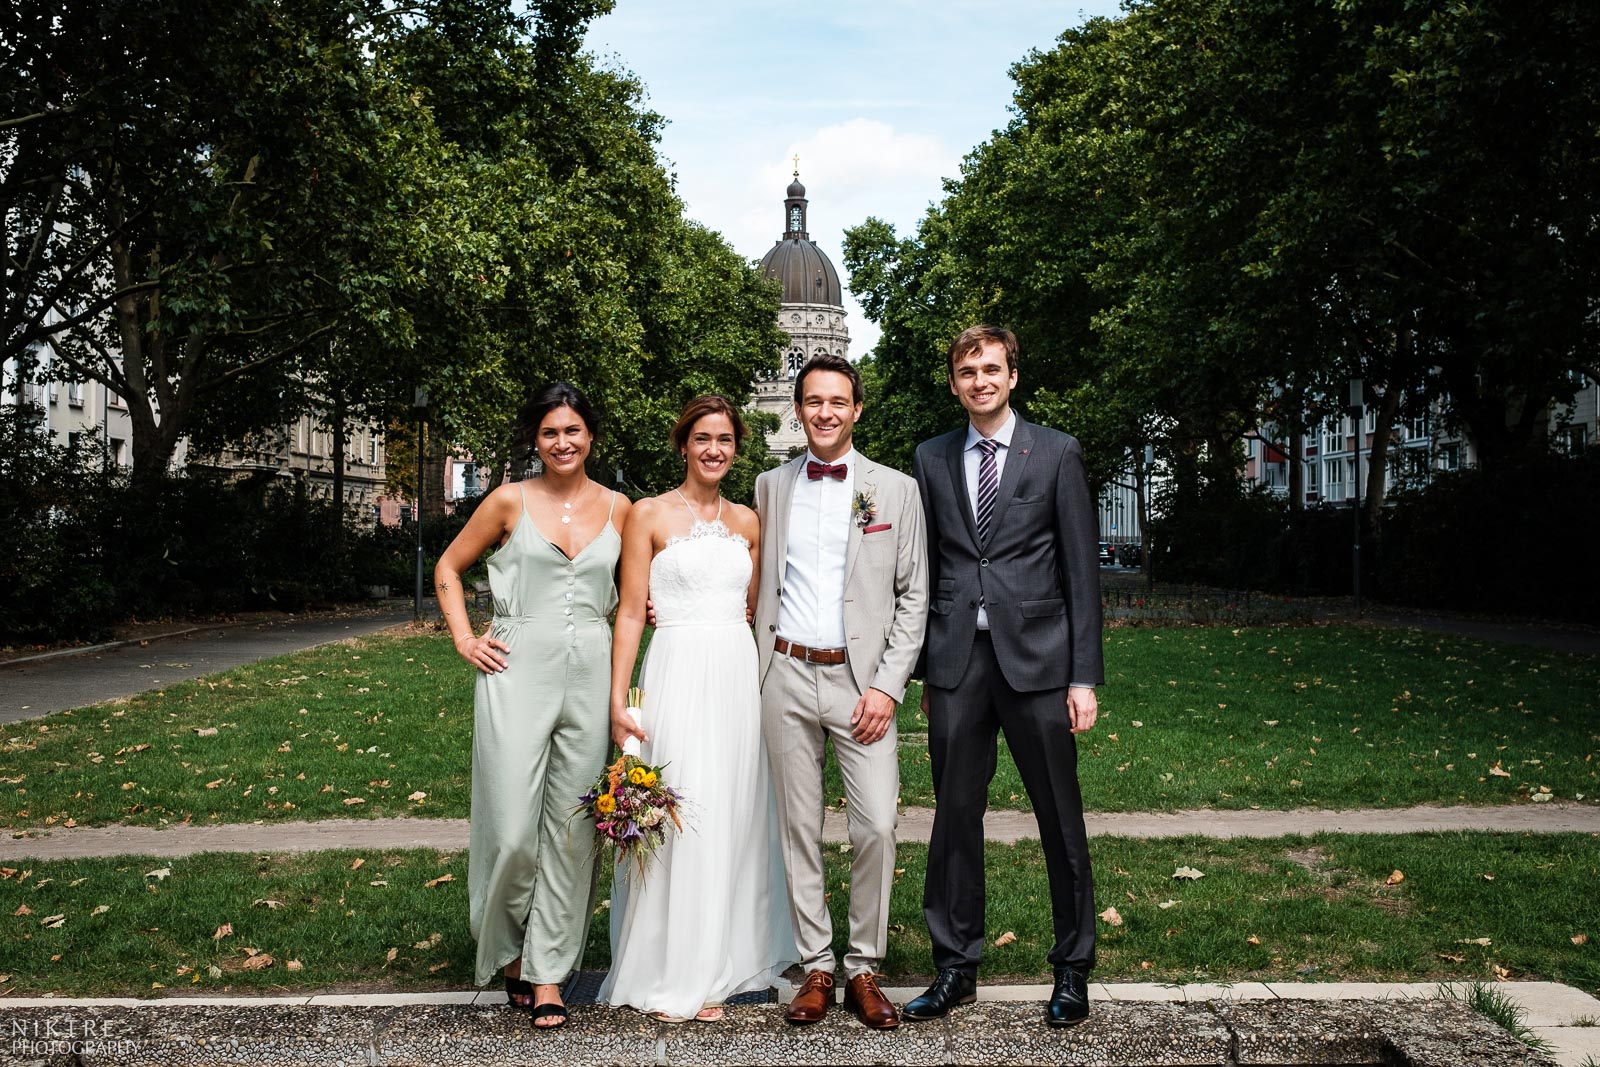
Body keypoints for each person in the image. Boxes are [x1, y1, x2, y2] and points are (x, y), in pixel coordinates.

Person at [903, 325, 1104, 1028]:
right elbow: (926, 571)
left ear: (1013, 375)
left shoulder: (1055, 452)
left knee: (1059, 815)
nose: (980, 379)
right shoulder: (929, 459)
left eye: (991, 368)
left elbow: (1081, 571)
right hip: (959, 660)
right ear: (954, 382)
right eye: (967, 370)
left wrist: (1084, 677)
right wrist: (927, 667)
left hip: (1041, 662)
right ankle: (955, 964)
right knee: (954, 817)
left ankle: (1073, 966)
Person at [434, 382, 630, 1031]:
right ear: (536, 440)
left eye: (573, 429)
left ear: (590, 435)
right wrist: (465, 637)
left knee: (574, 832)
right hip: (516, 667)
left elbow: (633, 598)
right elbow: (448, 567)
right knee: (513, 829)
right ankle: (507, 944)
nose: (563, 441)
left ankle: (548, 969)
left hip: (593, 671)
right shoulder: (507, 502)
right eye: (551, 432)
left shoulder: (620, 508)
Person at [599, 394, 798, 1022]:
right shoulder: (647, 514)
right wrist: (617, 698)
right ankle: (671, 964)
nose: (715, 450)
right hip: (676, 672)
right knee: (679, 811)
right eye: (703, 438)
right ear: (683, 443)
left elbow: (758, 610)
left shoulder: (749, 522)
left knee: (732, 812)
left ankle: (722, 959)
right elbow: (631, 610)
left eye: (726, 440)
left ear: (736, 450)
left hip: (737, 677)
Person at [753, 354, 928, 1030]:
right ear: (798, 409)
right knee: (798, 825)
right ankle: (816, 965)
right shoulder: (770, 485)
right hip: (787, 674)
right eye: (813, 400)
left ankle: (864, 965)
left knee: (876, 825)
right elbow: (754, 572)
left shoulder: (895, 489)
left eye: (838, 401)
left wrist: (888, 686)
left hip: (863, 685)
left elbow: (914, 595)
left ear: (857, 409)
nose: (825, 411)